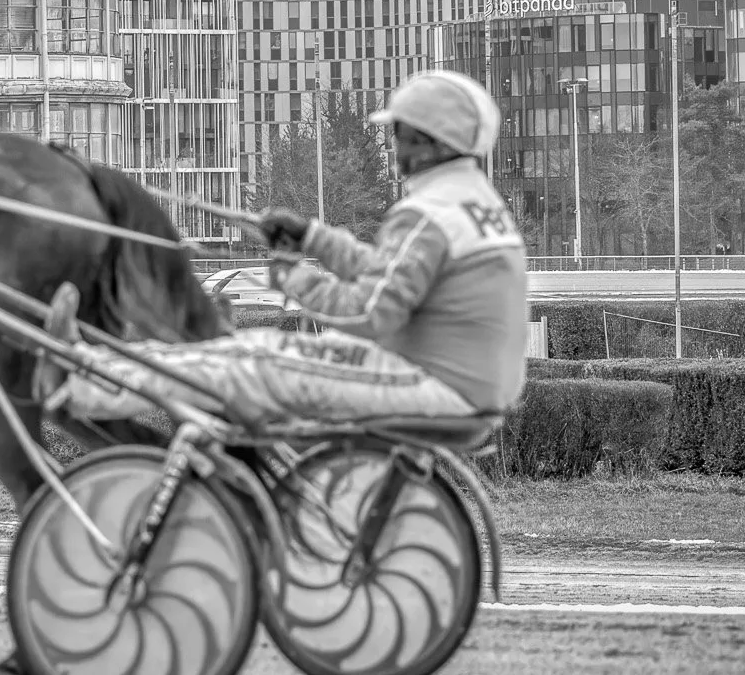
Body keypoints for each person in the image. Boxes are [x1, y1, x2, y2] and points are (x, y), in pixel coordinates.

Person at [42, 70, 528, 427]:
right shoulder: (471, 201)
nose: (391, 144)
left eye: (397, 132)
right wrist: (312, 237)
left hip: (435, 381)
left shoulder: (429, 214)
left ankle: (81, 384)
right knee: (234, 353)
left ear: (427, 141)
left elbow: (370, 313)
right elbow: (385, 272)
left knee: (245, 360)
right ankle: (90, 366)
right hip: (464, 378)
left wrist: (296, 278)